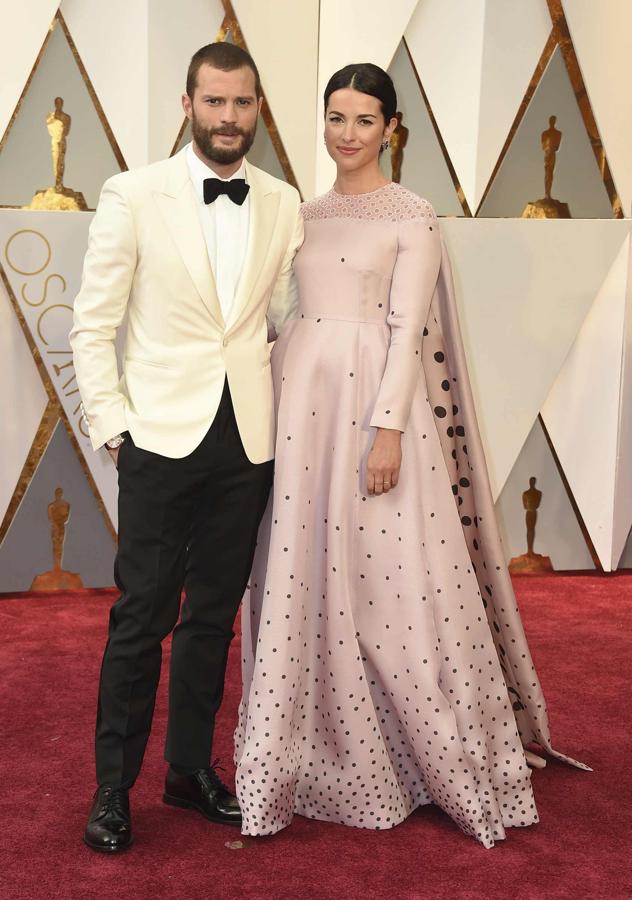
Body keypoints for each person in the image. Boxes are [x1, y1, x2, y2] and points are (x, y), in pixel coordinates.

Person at [234, 63, 587, 849]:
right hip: (299, 404)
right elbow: (280, 309)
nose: (346, 134)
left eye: (363, 120)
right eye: (334, 117)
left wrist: (386, 426)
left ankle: (427, 756)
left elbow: (405, 329)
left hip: (370, 409)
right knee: (300, 573)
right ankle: (304, 755)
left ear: (391, 129)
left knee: (389, 586)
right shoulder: (302, 212)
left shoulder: (413, 216)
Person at [70, 42, 303, 853]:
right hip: (159, 439)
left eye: (242, 104)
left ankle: (188, 768)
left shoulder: (280, 200)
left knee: (212, 616)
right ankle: (112, 788)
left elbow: (281, 318)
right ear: (187, 103)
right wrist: (114, 426)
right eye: (214, 103)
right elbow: (92, 324)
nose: (228, 118)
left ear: (257, 109)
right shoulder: (133, 193)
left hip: (247, 437)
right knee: (141, 617)